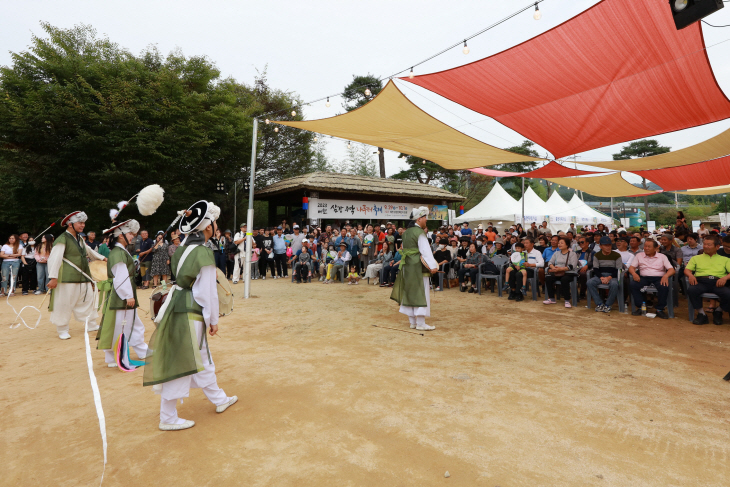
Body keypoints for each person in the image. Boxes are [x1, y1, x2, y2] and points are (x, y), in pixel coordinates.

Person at [144, 200, 237, 431]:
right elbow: (207, 294)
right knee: (181, 361)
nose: (216, 226)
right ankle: (167, 417)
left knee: (202, 358)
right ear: (208, 228)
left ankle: (219, 399)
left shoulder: (182, 249)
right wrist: (213, 320)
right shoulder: (204, 253)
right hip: (190, 311)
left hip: (178, 305)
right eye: (214, 223)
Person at [96, 219, 149, 369]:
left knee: (134, 324)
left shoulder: (120, 251)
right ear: (121, 236)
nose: (133, 236)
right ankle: (113, 356)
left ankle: (142, 350)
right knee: (119, 326)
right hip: (121, 295)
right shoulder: (118, 253)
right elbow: (120, 277)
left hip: (122, 293)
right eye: (130, 234)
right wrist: (128, 296)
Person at [47, 211, 106, 339]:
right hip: (68, 277)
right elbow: (54, 258)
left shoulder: (79, 238)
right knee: (64, 303)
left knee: (88, 299)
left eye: (84, 223)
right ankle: (62, 329)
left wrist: (103, 258)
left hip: (83, 275)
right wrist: (53, 277)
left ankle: (90, 324)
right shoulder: (62, 238)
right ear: (70, 224)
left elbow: (89, 251)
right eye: (80, 223)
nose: (83, 225)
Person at [390, 207, 439, 331]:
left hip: (407, 265)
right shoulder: (419, 233)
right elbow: (426, 251)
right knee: (420, 292)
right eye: (425, 218)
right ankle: (421, 323)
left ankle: (412, 322)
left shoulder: (405, 232)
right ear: (419, 219)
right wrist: (433, 266)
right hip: (417, 265)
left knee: (409, 291)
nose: (426, 220)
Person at [685, 235, 730, 325]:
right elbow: (687, 270)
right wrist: (690, 275)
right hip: (701, 282)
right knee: (692, 290)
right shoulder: (696, 258)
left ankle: (718, 311)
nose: (705, 246)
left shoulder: (725, 259)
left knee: (728, 294)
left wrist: (725, 278)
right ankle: (702, 314)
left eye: (709, 245)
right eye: (704, 244)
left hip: (718, 282)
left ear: (717, 247)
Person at [628, 239, 675, 320]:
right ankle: (641, 307)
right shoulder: (639, 255)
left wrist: (666, 276)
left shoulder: (662, 257)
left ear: (656, 248)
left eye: (649, 247)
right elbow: (631, 267)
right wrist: (634, 273)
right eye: (645, 246)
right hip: (644, 277)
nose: (646, 248)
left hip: (659, 277)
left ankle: (659, 309)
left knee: (664, 287)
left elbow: (671, 269)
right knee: (633, 284)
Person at [587, 236, 623, 313]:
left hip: (612, 275)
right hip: (600, 275)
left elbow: (618, 269)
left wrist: (609, 277)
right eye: (605, 245)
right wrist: (602, 277)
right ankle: (599, 303)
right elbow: (595, 268)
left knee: (614, 284)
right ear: (600, 246)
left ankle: (608, 304)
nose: (608, 247)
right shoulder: (597, 255)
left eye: (609, 245)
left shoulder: (617, 255)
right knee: (590, 282)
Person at [543, 237, 578, 308]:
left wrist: (561, 269)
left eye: (562, 243)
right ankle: (552, 299)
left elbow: (573, 266)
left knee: (564, 280)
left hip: (568, 273)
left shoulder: (572, 254)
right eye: (559, 243)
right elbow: (550, 262)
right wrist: (553, 268)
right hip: (556, 272)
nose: (559, 244)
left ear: (567, 245)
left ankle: (567, 300)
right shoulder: (556, 253)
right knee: (548, 278)